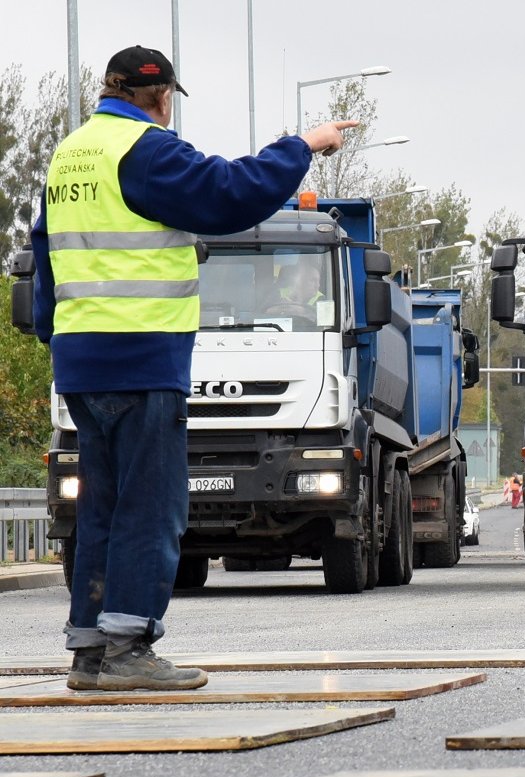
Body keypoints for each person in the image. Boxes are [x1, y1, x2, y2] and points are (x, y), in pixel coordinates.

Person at [29, 45, 356, 691]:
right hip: (141, 355)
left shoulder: (70, 155)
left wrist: (59, 340)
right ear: (162, 95)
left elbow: (45, 262)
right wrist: (301, 144)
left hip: (83, 361)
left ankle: (91, 651)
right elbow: (230, 196)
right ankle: (129, 649)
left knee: (102, 506)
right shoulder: (145, 150)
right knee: (150, 507)